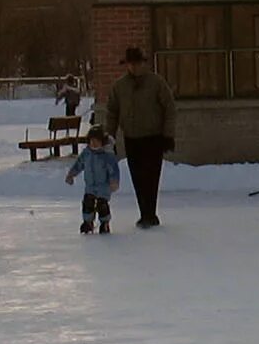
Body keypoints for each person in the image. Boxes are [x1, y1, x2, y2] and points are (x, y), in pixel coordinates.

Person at [99, 46, 178, 228]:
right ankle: (144, 212)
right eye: (131, 64)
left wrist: (168, 134)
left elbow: (170, 108)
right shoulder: (120, 86)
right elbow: (112, 112)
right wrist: (109, 137)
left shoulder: (156, 82)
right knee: (137, 176)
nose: (134, 67)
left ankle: (150, 212)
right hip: (132, 137)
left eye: (137, 63)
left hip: (153, 137)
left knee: (151, 176)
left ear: (144, 63)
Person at [68, 125, 121, 234]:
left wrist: (114, 181)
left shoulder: (107, 155)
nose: (93, 144)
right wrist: (71, 174)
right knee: (88, 203)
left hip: (103, 186)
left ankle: (104, 223)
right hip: (90, 186)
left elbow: (113, 170)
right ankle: (87, 222)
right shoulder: (87, 153)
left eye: (96, 141)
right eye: (91, 141)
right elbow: (79, 164)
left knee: (102, 205)